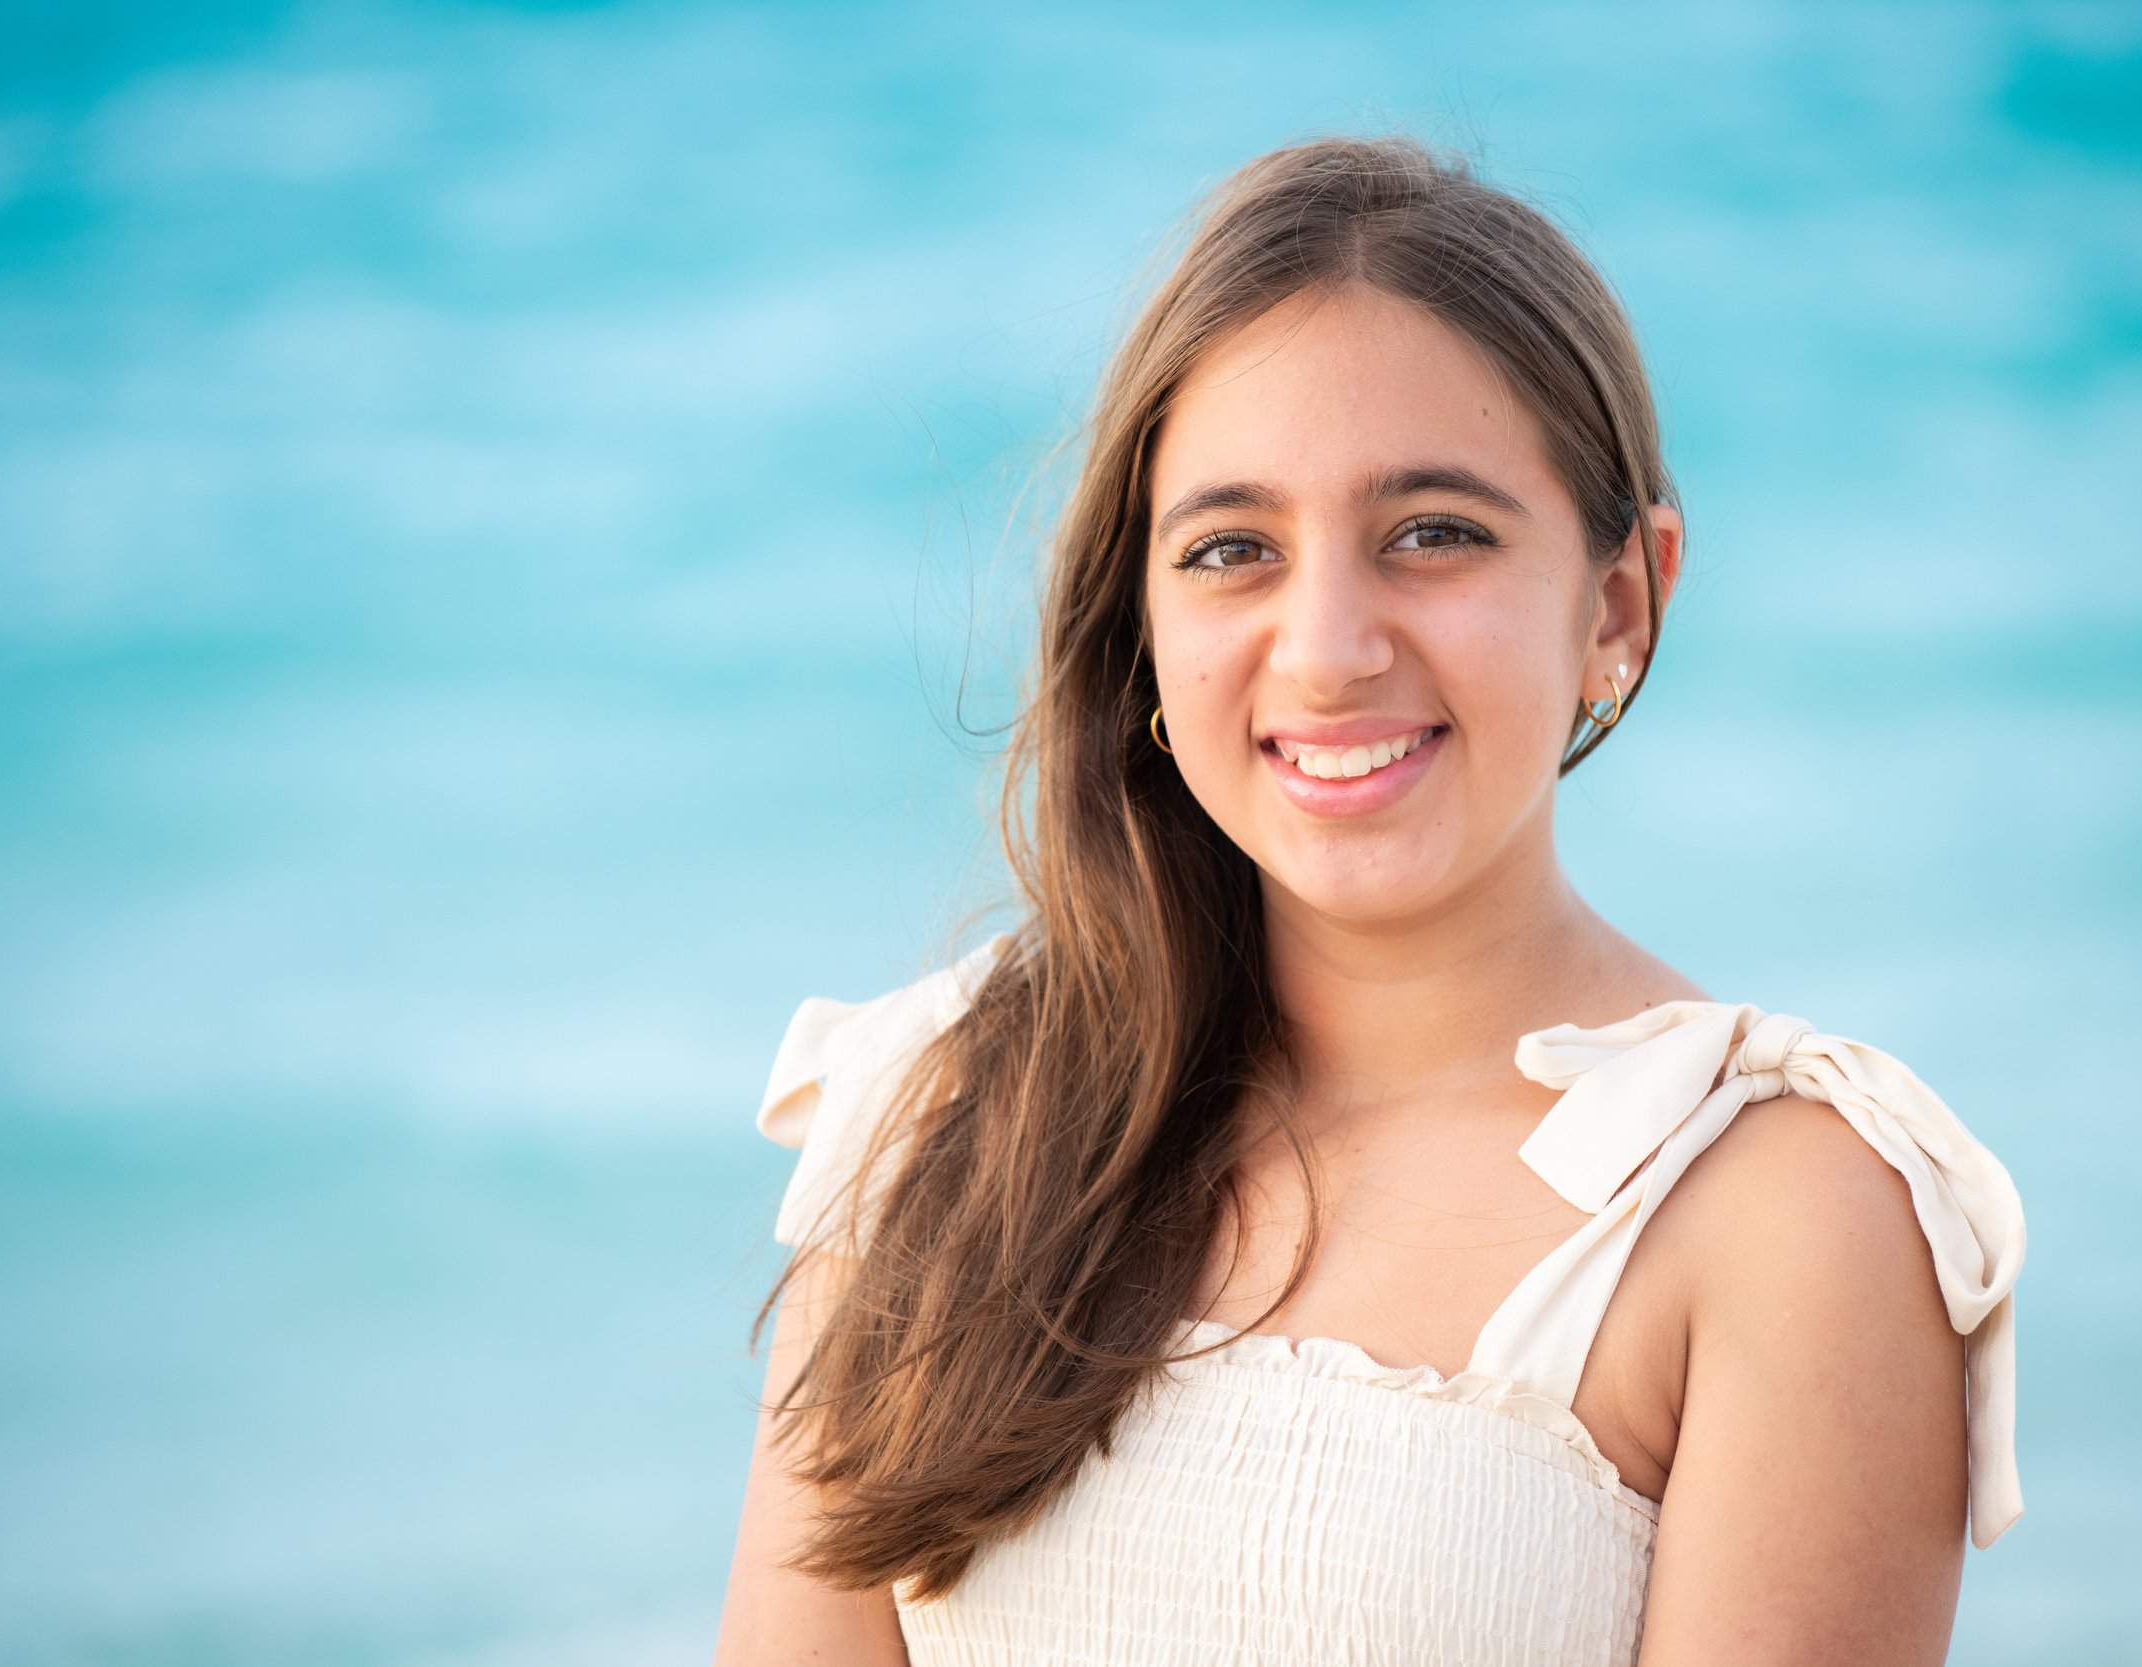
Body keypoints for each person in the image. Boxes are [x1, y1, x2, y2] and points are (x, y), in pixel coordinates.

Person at [714, 133, 2026, 1666]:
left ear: (1621, 601)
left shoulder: (1784, 1220)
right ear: (1142, 624)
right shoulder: (951, 1124)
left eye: (1433, 534)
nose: (1328, 645)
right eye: (1233, 551)